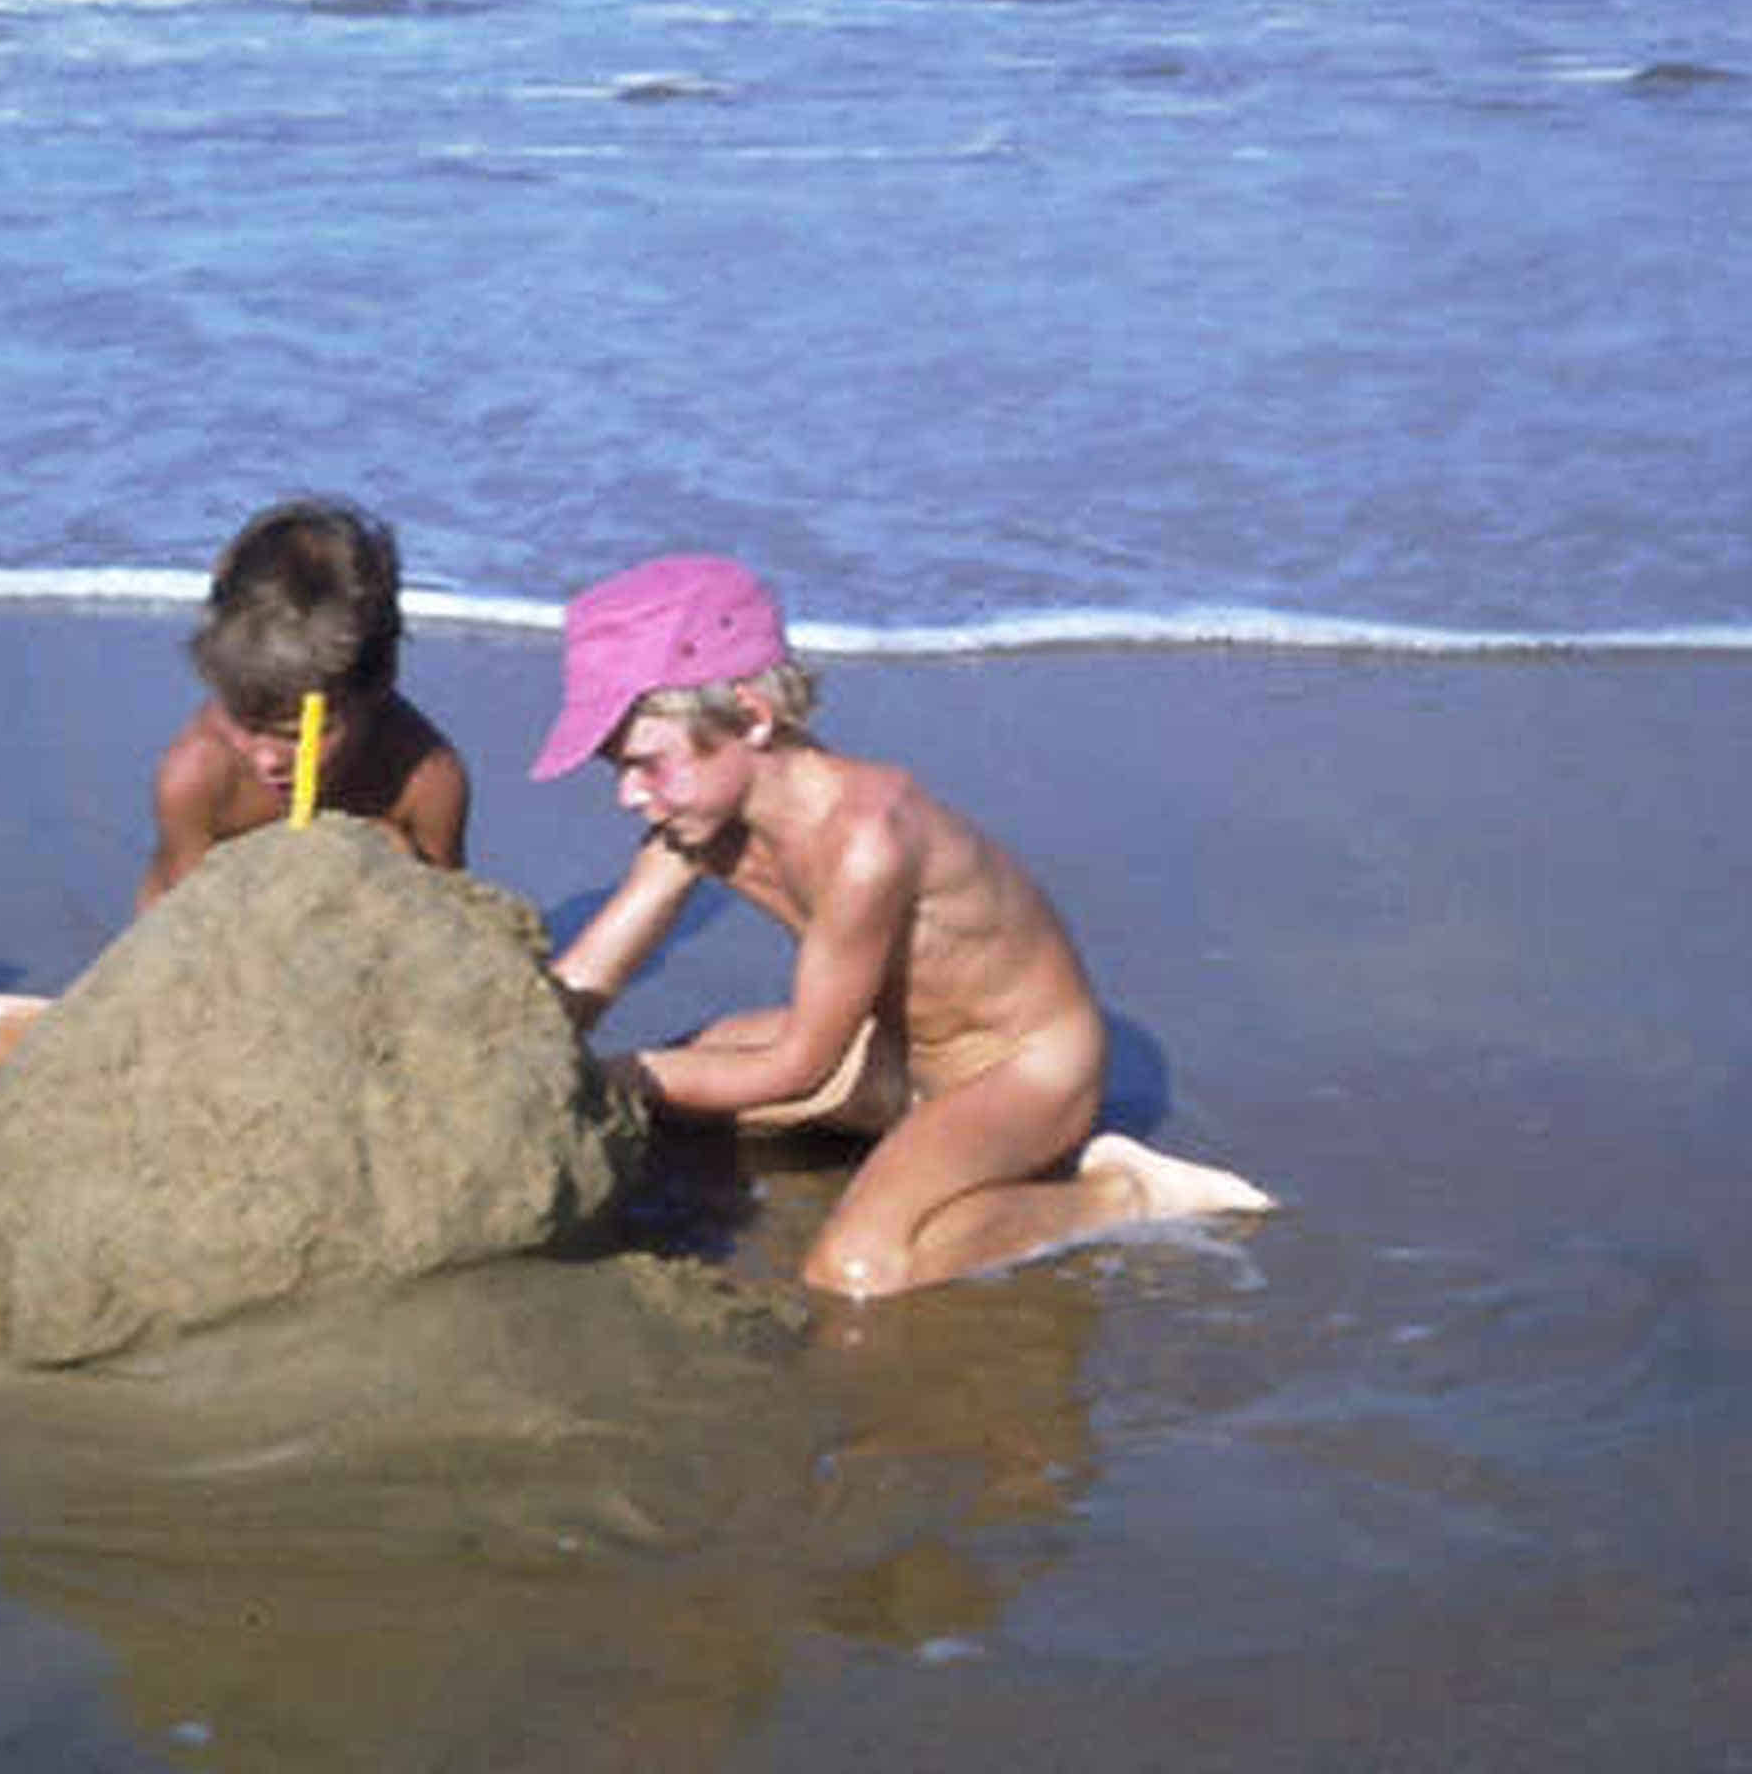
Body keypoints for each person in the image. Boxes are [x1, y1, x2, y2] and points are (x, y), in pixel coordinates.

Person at [534, 554, 1271, 1300]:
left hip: (1022, 1074)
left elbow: (798, 1067)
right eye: (613, 768)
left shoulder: (865, 841)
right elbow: (596, 968)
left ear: (751, 716)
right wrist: (533, 1045)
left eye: (645, 765)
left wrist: (608, 1075)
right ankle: (904, 1139)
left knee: (853, 1269)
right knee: (663, 1088)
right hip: (895, 1055)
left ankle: (1119, 1194)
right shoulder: (697, 818)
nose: (628, 794)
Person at [0, 497, 471, 1071]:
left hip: (351, 968)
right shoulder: (200, 775)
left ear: (377, 686)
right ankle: (83, 1028)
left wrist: (381, 863)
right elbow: (182, 938)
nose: (266, 760)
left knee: (399, 858)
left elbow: (452, 933)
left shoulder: (425, 779)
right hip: (202, 951)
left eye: (296, 735)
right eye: (245, 722)